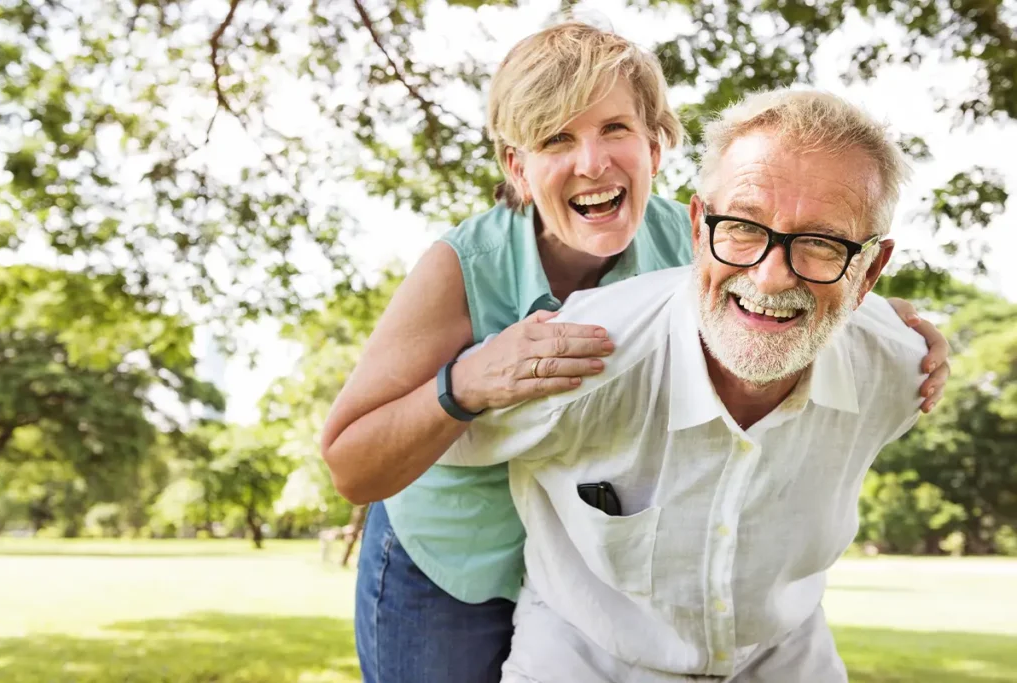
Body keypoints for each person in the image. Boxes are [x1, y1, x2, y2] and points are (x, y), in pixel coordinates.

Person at [320, 22, 950, 683]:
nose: (592, 162)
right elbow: (351, 465)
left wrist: (882, 316)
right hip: (456, 552)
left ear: (656, 145)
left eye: (614, 129)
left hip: (581, 549)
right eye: (556, 138)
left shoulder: (697, 239)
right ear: (517, 166)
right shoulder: (463, 268)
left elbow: (785, 266)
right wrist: (466, 382)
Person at [441, 88, 931, 682]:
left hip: (785, 656)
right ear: (699, 226)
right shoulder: (581, 355)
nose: (771, 277)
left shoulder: (902, 370)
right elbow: (447, 442)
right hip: (585, 659)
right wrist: (458, 385)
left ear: (869, 271)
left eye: (822, 243)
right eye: (743, 228)